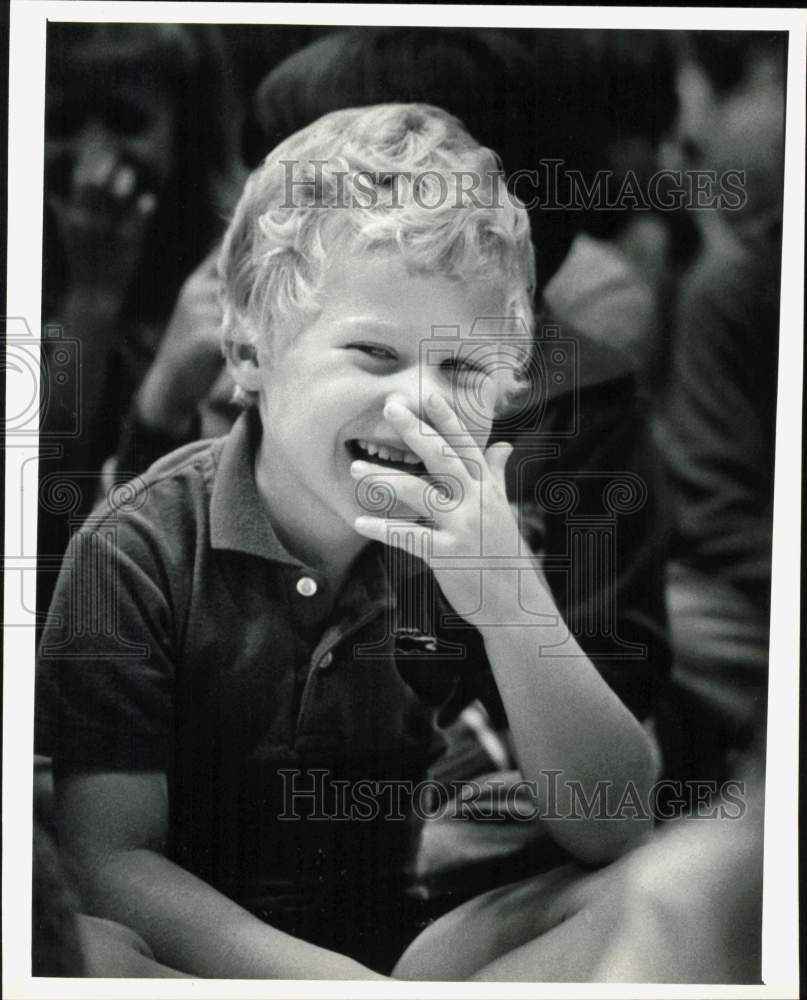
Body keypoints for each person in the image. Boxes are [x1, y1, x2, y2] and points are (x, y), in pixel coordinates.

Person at [36, 103, 658, 979]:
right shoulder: (135, 547)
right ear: (249, 353)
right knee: (97, 951)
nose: (418, 404)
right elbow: (113, 865)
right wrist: (336, 988)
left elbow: (612, 817)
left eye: (463, 367)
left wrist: (513, 608)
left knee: (654, 880)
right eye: (372, 352)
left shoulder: (466, 535)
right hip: (203, 964)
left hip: (402, 949)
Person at [38, 23, 245, 616]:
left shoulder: (225, 256)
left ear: (186, 131)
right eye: (62, 124)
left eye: (128, 122)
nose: (96, 164)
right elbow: (38, 509)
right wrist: (95, 296)